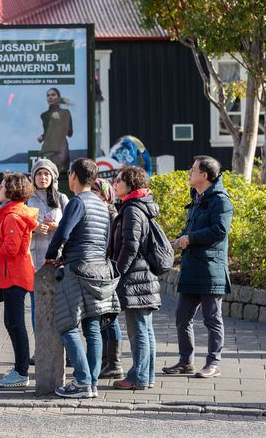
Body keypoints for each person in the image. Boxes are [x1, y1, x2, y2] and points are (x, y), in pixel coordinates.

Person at [46, 158, 120, 399]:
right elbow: (106, 241)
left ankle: (81, 381)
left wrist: (51, 256)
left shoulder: (77, 202)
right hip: (100, 270)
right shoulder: (101, 204)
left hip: (78, 270)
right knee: (92, 328)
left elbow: (62, 233)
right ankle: (92, 384)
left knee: (67, 326)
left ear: (74, 177)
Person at [163, 156, 234, 379]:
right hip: (192, 268)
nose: (189, 173)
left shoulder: (221, 201)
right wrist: (177, 241)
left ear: (204, 175)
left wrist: (190, 238)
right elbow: (191, 231)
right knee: (182, 316)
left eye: (193, 170)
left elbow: (219, 232)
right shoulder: (197, 198)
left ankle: (214, 363)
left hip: (211, 269)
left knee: (212, 318)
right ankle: (186, 362)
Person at [0, 172, 38, 388]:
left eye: (2, 185)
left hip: (14, 276)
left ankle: (21, 372)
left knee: (15, 324)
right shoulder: (10, 214)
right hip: (12, 275)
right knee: (12, 323)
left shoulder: (13, 216)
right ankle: (19, 368)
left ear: (11, 189)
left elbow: (11, 250)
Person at [109, 166, 161, 390]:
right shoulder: (139, 206)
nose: (115, 184)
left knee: (138, 329)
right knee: (145, 329)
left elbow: (130, 246)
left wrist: (117, 273)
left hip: (134, 278)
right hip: (143, 276)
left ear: (130, 183)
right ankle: (146, 377)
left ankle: (138, 377)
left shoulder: (132, 210)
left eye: (119, 180)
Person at [26, 158, 68, 364]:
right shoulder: (27, 199)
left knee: (62, 305)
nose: (43, 178)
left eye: (47, 174)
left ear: (53, 177)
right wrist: (33, 229)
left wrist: (55, 228)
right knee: (37, 307)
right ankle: (40, 348)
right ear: (33, 177)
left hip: (59, 260)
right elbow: (20, 228)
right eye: (39, 174)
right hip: (35, 261)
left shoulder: (62, 199)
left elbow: (72, 226)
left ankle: (65, 350)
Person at [92, 178, 125, 380]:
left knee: (110, 317)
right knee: (103, 317)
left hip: (109, 272)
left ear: (105, 196)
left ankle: (114, 363)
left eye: (96, 192)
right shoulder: (102, 214)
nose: (92, 195)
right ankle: (107, 362)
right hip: (100, 271)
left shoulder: (112, 216)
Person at [37, 87, 73, 173]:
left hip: (61, 150)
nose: (50, 97)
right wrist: (42, 137)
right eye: (48, 95)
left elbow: (70, 133)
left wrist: (60, 121)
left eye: (53, 95)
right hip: (48, 150)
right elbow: (48, 133)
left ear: (58, 97)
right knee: (48, 174)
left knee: (61, 175)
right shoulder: (44, 115)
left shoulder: (65, 113)